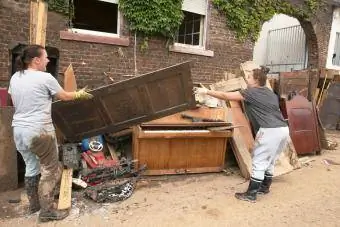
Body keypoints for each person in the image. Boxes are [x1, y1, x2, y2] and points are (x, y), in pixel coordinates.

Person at [8, 44, 93, 222]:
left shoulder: (16, 77)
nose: (48, 60)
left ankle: (35, 206)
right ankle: (47, 211)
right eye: (46, 57)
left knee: (31, 168)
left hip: (19, 130)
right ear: (36, 60)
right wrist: (79, 94)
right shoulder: (45, 78)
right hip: (39, 131)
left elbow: (12, 99)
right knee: (51, 170)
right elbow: (64, 96)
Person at [193, 65, 289, 202]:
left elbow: (226, 96)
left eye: (249, 76)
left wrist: (206, 92)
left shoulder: (251, 93)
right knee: (271, 159)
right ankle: (265, 187)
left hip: (269, 130)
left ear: (256, 80)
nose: (246, 77)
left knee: (258, 161)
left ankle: (251, 194)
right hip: (283, 129)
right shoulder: (269, 92)